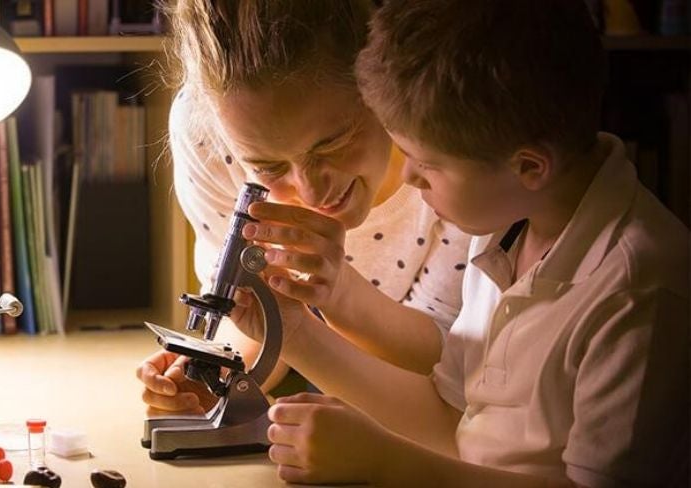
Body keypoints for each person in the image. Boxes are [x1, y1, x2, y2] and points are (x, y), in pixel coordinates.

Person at [260, 0, 690, 485]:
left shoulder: (638, 289)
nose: (409, 177)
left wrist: (385, 462)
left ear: (529, 167)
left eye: (428, 164)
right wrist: (292, 332)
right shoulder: (504, 230)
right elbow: (452, 419)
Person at [137, 0, 471, 414]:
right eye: (268, 167)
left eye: (332, 145)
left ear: (381, 87)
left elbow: (452, 362)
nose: (312, 194)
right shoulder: (204, 133)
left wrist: (339, 294)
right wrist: (219, 374)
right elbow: (257, 317)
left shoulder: (454, 148)